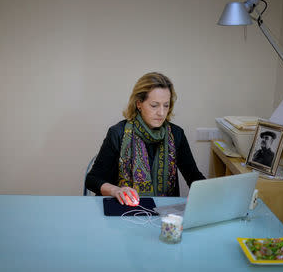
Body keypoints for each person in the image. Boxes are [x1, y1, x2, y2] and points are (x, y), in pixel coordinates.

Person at [85, 72, 205, 205]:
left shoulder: (176, 134)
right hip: (124, 211)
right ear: (139, 104)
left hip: (164, 214)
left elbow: (193, 176)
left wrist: (206, 191)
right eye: (154, 105)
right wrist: (116, 190)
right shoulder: (117, 133)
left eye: (166, 105)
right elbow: (92, 179)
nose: (161, 112)